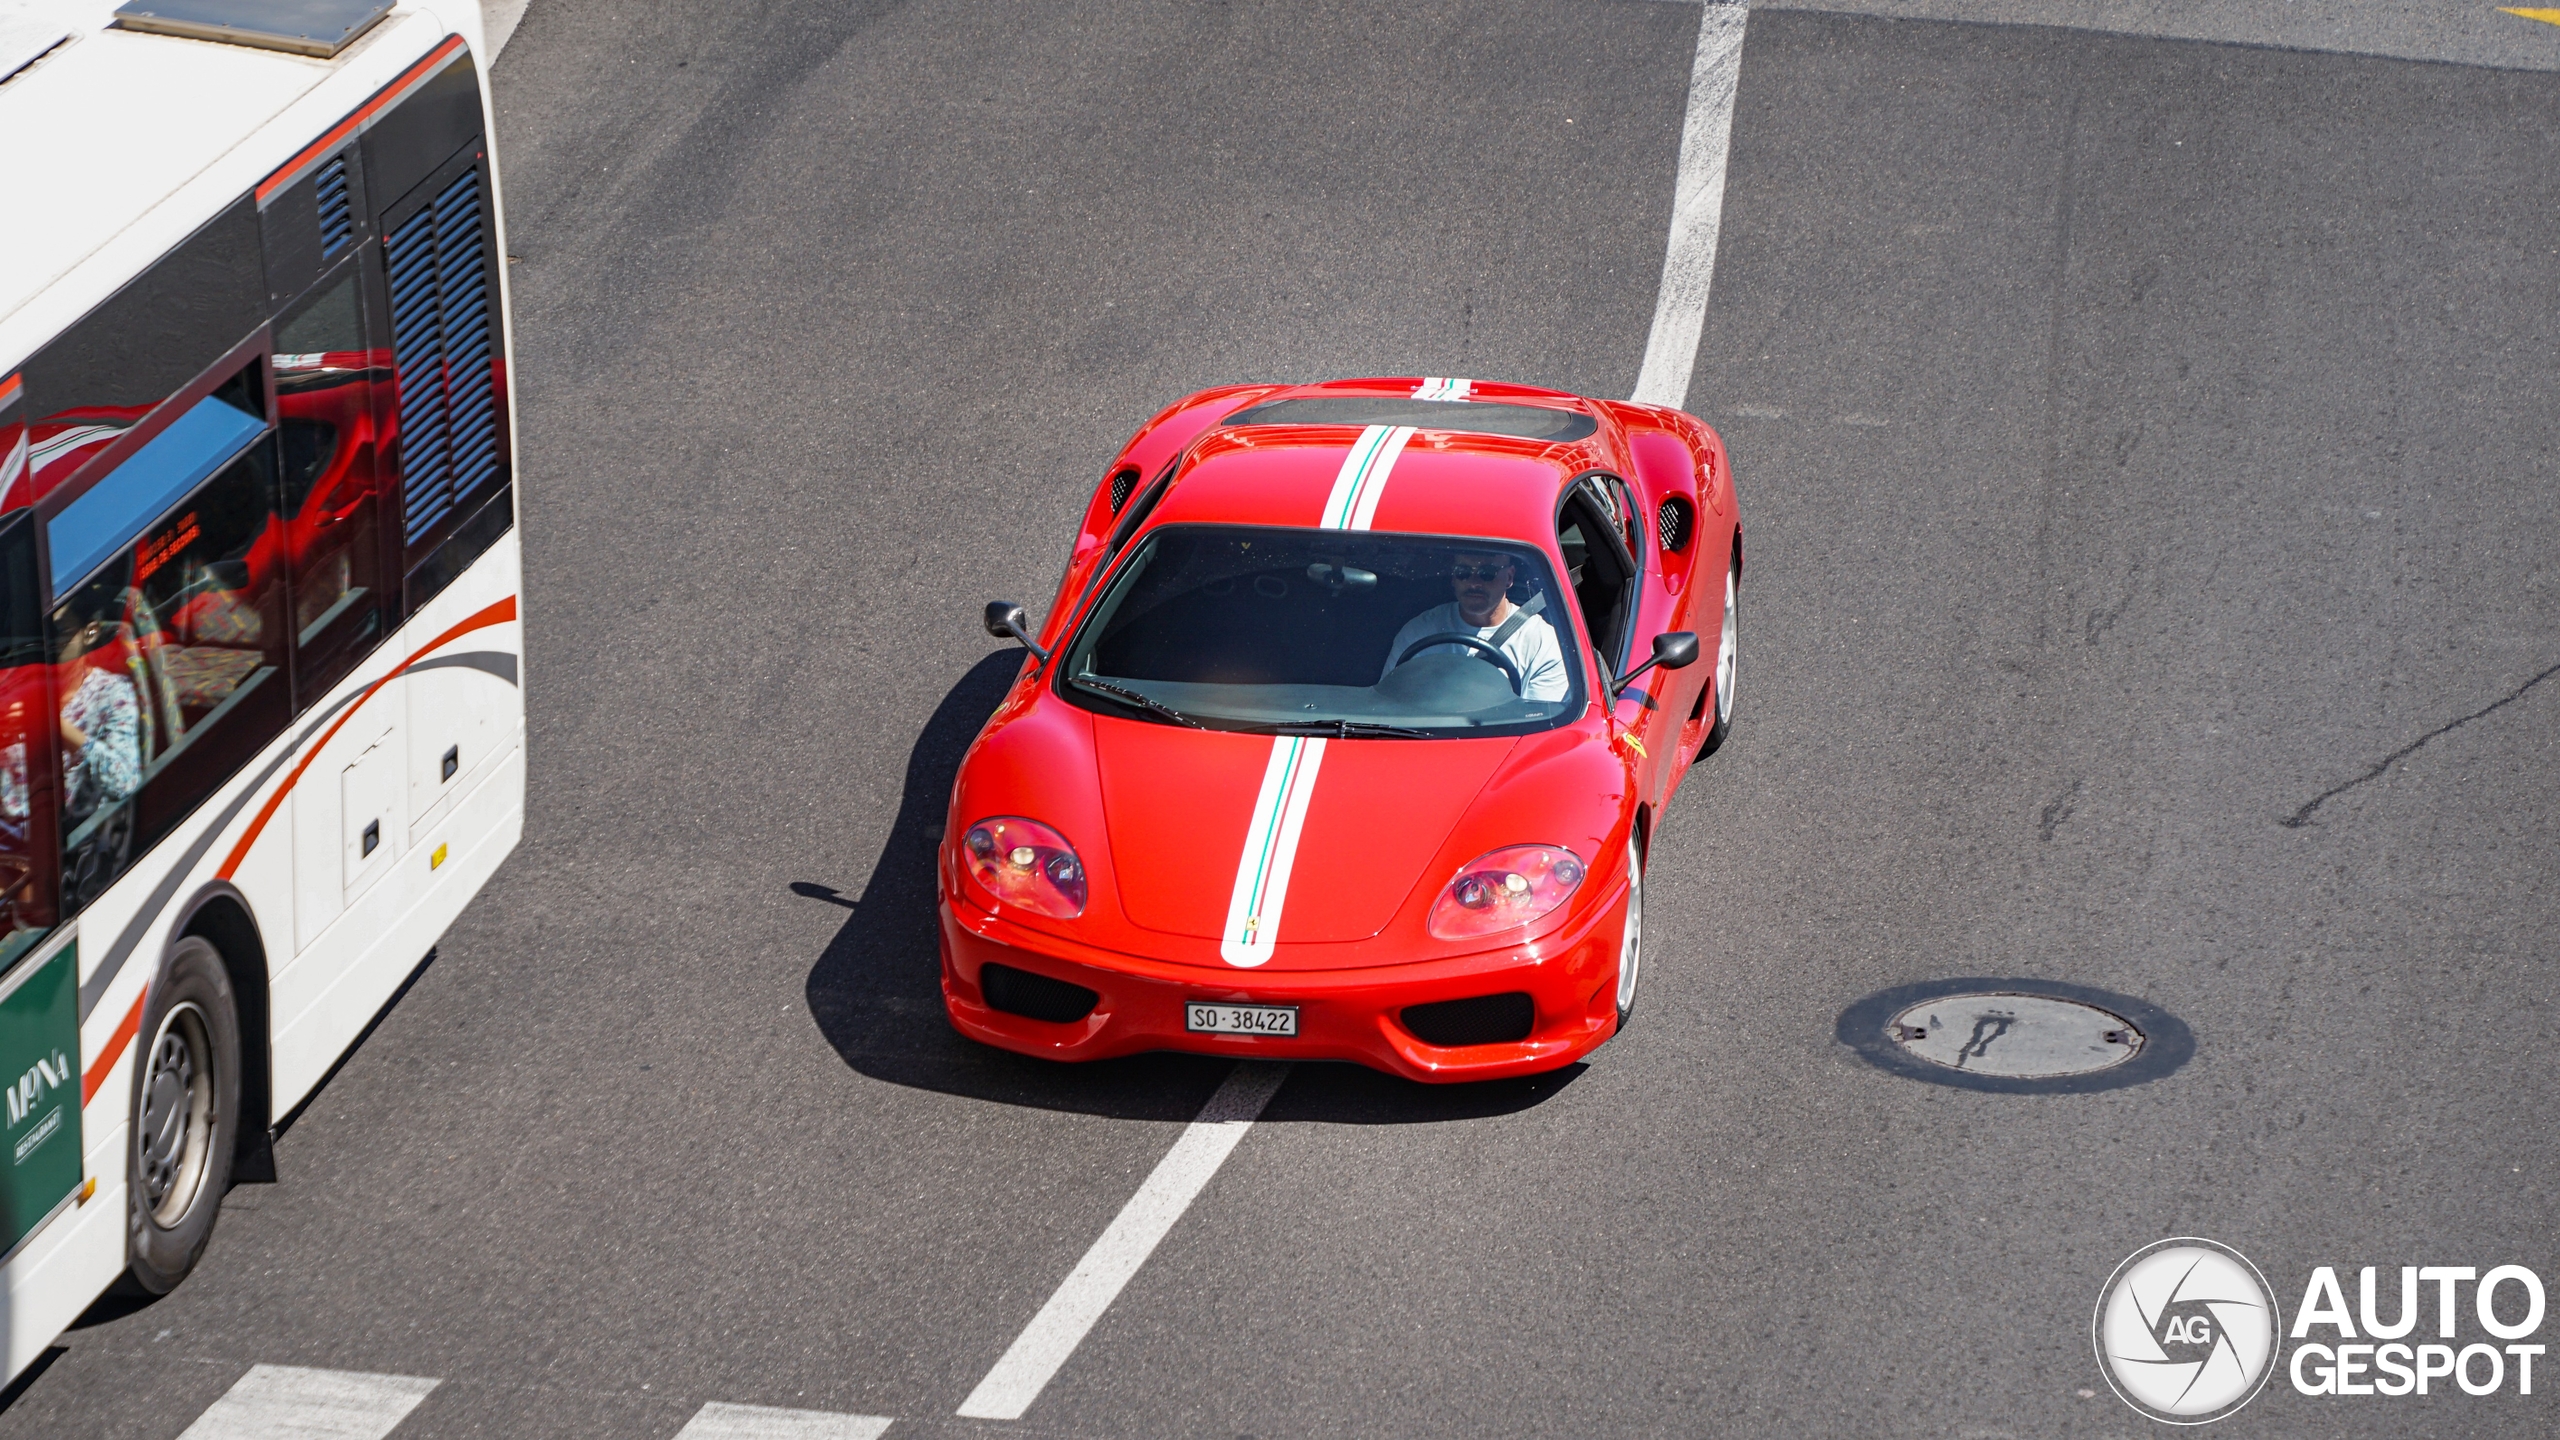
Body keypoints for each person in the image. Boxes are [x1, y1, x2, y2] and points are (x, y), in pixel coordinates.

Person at [1381, 550, 1569, 702]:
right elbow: (1390, 704)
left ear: (1509, 577)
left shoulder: (1543, 643)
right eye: (1463, 572)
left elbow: (1538, 727)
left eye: (1487, 573)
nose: (1474, 582)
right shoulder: (1418, 632)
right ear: (1453, 578)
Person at [58, 618, 142, 821]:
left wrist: (60, 729)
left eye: (59, 634)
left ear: (90, 632)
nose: (45, 645)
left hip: (63, 834)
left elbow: (123, 781)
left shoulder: (111, 692)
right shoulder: (16, 686)